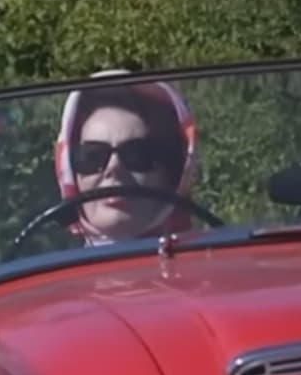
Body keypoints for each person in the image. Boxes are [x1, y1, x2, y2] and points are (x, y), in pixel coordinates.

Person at [54, 72, 199, 246]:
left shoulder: (212, 265)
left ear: (171, 174)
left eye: (137, 154)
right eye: (92, 156)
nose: (114, 168)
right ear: (71, 174)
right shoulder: (48, 271)